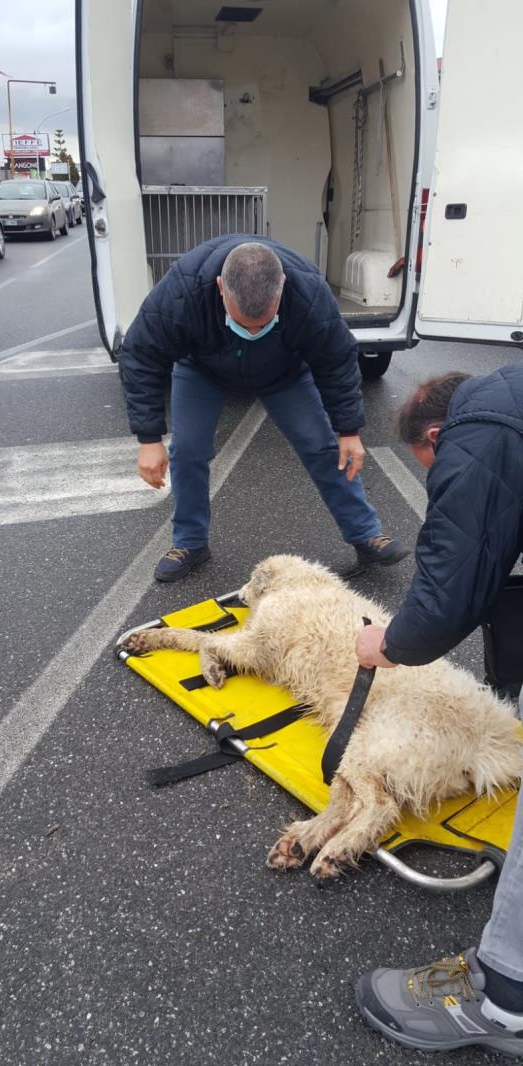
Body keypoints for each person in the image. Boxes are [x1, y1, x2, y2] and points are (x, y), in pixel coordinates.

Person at [354, 364, 523, 1059]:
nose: (433, 471)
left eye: (427, 463)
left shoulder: (478, 435)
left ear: (433, 434)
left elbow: (449, 587)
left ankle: (505, 999)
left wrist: (387, 643)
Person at [120, 236, 408, 581]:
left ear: (282, 287)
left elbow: (336, 360)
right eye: (241, 322)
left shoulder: (308, 292)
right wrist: (148, 438)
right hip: (203, 369)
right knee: (188, 451)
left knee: (323, 448)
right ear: (220, 288)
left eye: (262, 323)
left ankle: (366, 534)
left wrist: (349, 430)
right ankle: (191, 543)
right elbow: (140, 354)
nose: (251, 332)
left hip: (284, 373)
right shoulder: (183, 289)